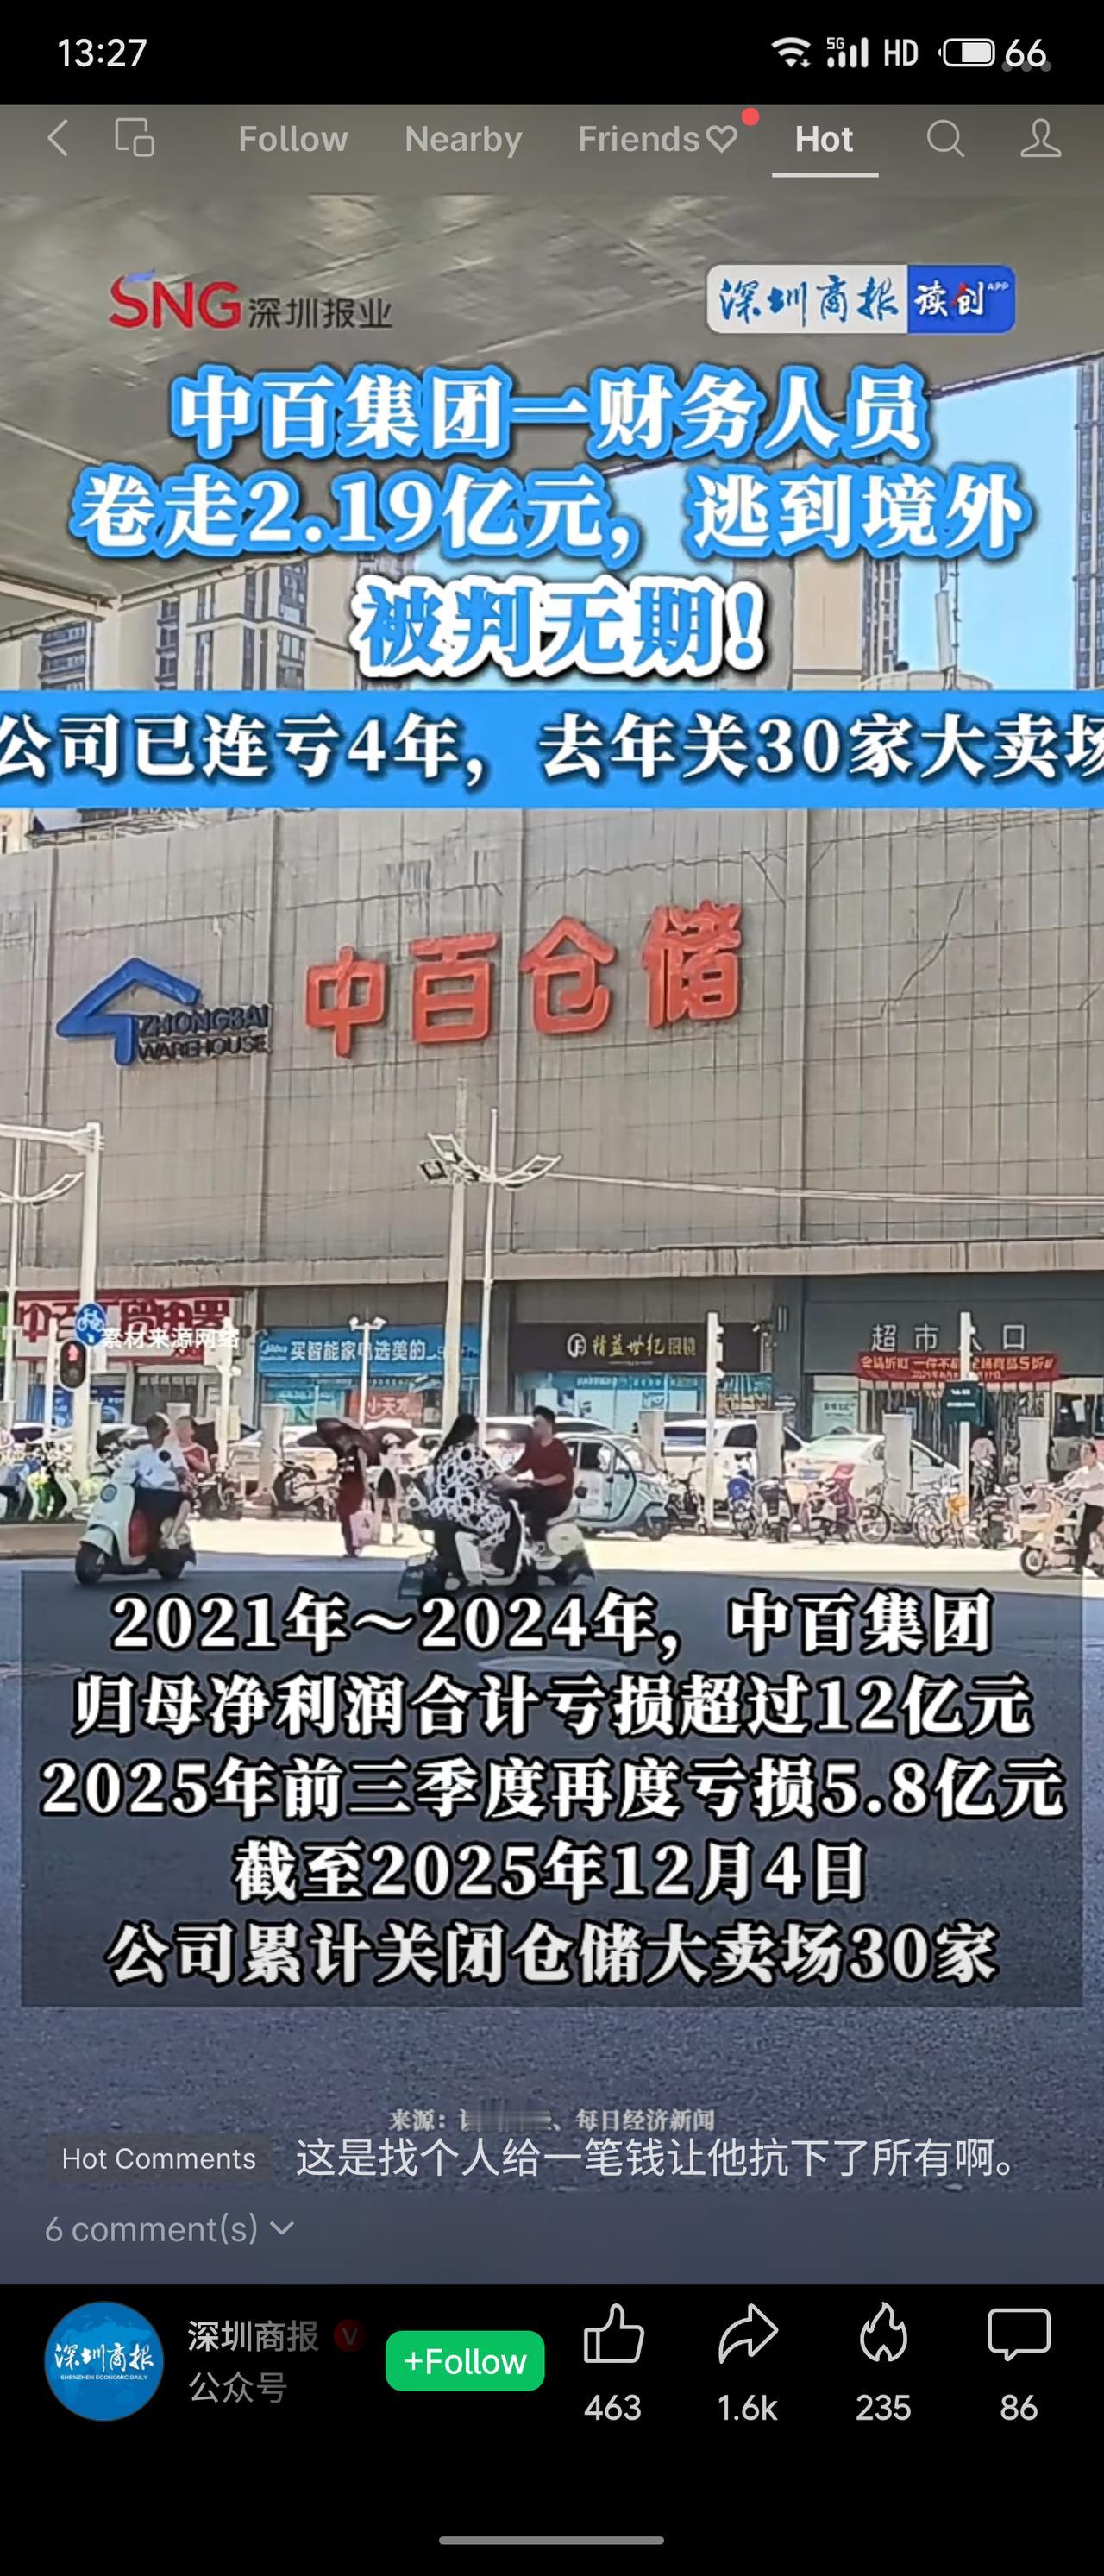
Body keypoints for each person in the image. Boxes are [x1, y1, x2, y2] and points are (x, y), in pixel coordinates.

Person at [427, 1411, 519, 1573]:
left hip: (441, 1508)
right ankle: (486, 1559)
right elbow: (498, 1479)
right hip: (465, 1509)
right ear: (472, 1432)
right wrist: (520, 1486)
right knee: (501, 1515)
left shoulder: (444, 1452)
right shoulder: (471, 1452)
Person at [499, 1404, 576, 1544]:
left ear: (548, 1425)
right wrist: (498, 1477)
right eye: (533, 1423)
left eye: (537, 1424)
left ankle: (538, 1543)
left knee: (537, 1508)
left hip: (557, 1496)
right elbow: (518, 1468)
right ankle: (509, 1537)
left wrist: (540, 1482)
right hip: (537, 1490)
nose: (533, 1427)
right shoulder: (532, 1446)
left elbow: (563, 1477)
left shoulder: (559, 1448)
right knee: (506, 1498)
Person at [129, 1412, 187, 1549]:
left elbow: (182, 1468)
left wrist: (176, 1469)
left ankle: (171, 1535)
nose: (152, 1431)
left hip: (166, 1492)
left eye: (156, 1428)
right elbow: (127, 1465)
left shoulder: (172, 1451)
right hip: (143, 1491)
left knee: (186, 1501)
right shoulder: (141, 1451)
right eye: (150, 1428)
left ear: (164, 1431)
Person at [1071, 1437, 1104, 1572]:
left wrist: (1085, 1488)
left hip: (1098, 1508)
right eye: (1082, 1453)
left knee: (1085, 1534)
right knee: (1082, 1533)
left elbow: (1101, 1485)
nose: (1083, 1456)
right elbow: (1070, 1484)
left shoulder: (1101, 1470)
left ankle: (1080, 1564)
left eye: (1086, 1453)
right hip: (1083, 1506)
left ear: (1094, 1455)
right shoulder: (1082, 1472)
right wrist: (1055, 1490)